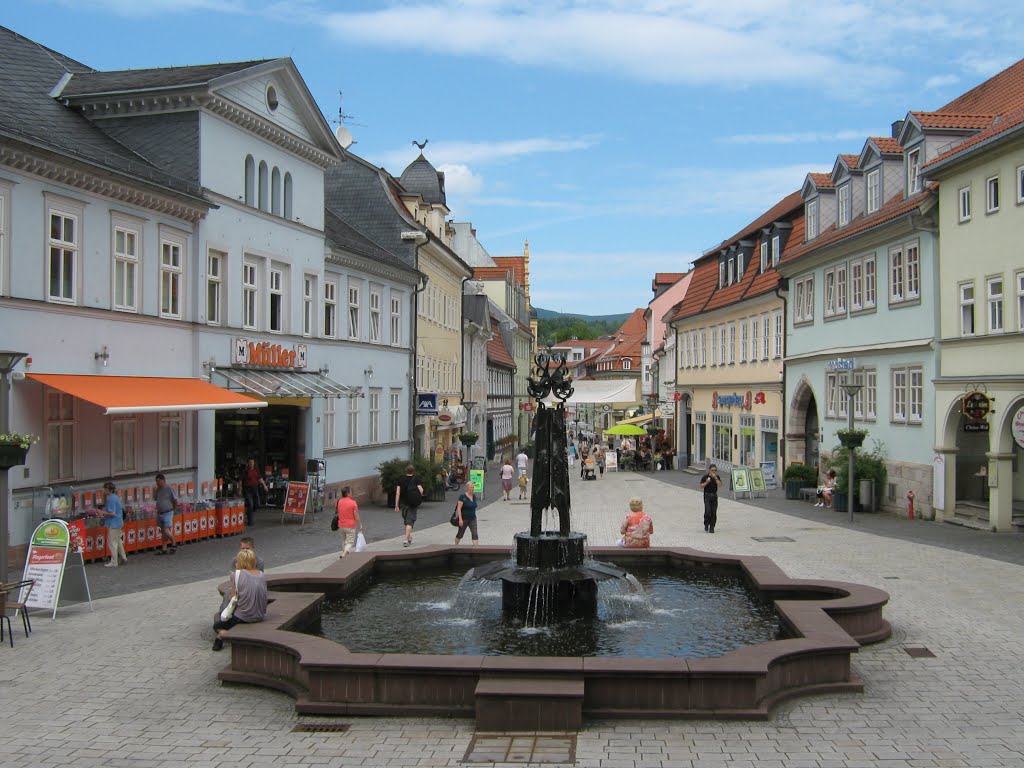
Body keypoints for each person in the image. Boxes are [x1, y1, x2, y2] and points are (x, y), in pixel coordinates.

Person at [211, 548, 267, 651]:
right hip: (259, 615)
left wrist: (234, 576)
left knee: (217, 625)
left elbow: (232, 597)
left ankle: (223, 636)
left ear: (240, 562)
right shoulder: (261, 575)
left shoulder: (237, 574)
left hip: (243, 617)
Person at [394, 464, 423, 547]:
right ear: (413, 471)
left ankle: (409, 537)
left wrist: (396, 505)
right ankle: (406, 540)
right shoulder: (416, 479)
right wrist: (417, 497)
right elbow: (421, 490)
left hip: (404, 503)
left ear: (406, 471)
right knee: (409, 522)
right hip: (413, 504)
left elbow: (397, 493)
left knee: (406, 520)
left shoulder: (401, 479)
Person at [99, 481, 127, 568]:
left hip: (114, 523)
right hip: (118, 522)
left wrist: (102, 512)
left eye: (104, 489)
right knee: (118, 541)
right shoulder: (115, 497)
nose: (103, 490)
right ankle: (123, 558)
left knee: (112, 543)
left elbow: (112, 513)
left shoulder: (111, 498)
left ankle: (114, 561)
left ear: (108, 490)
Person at [153, 473, 178, 555]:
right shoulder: (158, 489)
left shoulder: (169, 488)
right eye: (156, 481)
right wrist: (154, 490)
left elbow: (175, 500)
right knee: (163, 532)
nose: (157, 483)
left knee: (166, 530)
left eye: (158, 481)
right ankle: (164, 549)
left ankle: (174, 543)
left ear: (163, 480)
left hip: (168, 512)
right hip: (160, 512)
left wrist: (173, 508)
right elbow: (155, 498)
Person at [241, 457, 268, 527]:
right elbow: (240, 480)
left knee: (258, 504)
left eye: (252, 462)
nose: (251, 464)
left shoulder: (256, 470)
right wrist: (239, 489)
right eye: (250, 462)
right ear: (248, 463)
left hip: (255, 489)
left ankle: (248, 512)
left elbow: (260, 478)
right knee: (250, 504)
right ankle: (250, 521)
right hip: (247, 489)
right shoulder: (245, 471)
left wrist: (264, 485)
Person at [336, 486, 362, 557]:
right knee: (350, 542)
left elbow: (338, 512)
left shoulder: (339, 501)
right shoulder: (353, 503)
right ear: (348, 493)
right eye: (351, 491)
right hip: (350, 525)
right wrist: (360, 524)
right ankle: (343, 555)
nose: (352, 493)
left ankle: (345, 555)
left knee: (344, 541)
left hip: (341, 525)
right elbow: (356, 516)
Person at [454, 480, 479, 545]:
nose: (472, 489)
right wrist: (460, 519)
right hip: (464, 518)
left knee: (475, 534)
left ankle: (476, 549)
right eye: (471, 487)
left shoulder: (474, 496)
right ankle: (455, 545)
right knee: (460, 534)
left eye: (473, 487)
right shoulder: (462, 497)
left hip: (473, 518)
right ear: (467, 488)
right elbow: (459, 508)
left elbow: (474, 505)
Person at [698, 464, 722, 533]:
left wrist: (716, 478)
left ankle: (712, 527)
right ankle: (706, 524)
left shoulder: (717, 477)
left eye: (715, 470)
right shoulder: (705, 477)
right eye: (712, 470)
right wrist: (706, 482)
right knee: (708, 511)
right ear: (709, 470)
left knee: (713, 512)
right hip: (707, 495)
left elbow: (720, 485)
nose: (713, 472)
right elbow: (701, 486)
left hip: (714, 495)